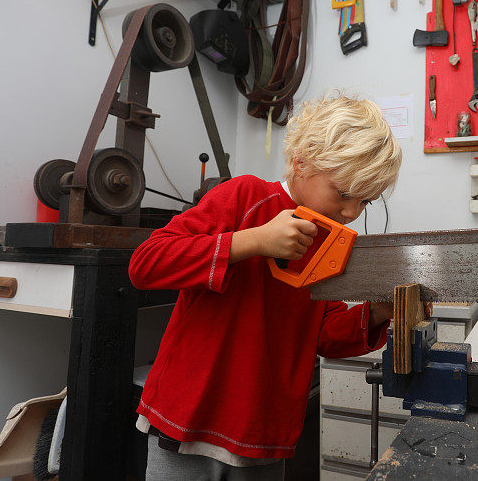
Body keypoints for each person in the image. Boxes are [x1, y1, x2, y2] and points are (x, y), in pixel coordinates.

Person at [129, 94, 424, 480]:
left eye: (365, 202)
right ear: (301, 163)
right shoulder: (244, 197)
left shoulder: (329, 243)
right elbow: (146, 263)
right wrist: (251, 241)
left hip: (263, 432)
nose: (352, 213)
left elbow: (325, 334)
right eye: (343, 193)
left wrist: (382, 312)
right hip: (188, 418)